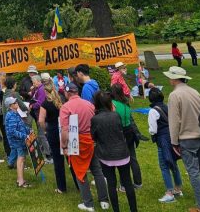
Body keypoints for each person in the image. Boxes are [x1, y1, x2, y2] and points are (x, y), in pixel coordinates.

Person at [164, 65, 200, 212]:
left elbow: (174, 121)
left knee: (194, 173)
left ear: (174, 79)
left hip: (187, 138)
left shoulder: (174, 95)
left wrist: (174, 141)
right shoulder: (194, 92)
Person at [60, 82, 110, 211]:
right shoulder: (89, 104)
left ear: (68, 93)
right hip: (91, 140)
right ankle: (104, 201)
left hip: (77, 141)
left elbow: (65, 130)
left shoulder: (65, 107)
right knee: (97, 170)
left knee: (80, 172)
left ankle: (88, 204)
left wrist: (64, 146)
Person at [91, 91, 138, 212]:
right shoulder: (115, 115)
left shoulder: (95, 119)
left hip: (106, 155)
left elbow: (94, 136)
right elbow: (119, 129)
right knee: (127, 182)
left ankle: (116, 210)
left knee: (111, 184)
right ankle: (134, 209)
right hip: (121, 153)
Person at [148, 86, 184, 203]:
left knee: (164, 166)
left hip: (162, 140)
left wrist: (151, 133)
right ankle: (178, 189)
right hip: (172, 137)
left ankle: (169, 193)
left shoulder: (153, 111)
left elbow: (153, 129)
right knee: (173, 163)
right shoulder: (168, 107)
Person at [110, 84, 142, 189]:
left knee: (122, 159)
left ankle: (124, 184)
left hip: (120, 132)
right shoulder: (125, 102)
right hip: (129, 131)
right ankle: (138, 182)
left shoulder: (113, 104)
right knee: (132, 158)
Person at [42, 76, 67, 193]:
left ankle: (61, 187)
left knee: (57, 160)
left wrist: (44, 129)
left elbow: (41, 120)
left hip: (52, 130)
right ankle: (79, 184)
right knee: (70, 157)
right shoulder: (61, 99)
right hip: (63, 129)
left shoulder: (45, 103)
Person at [5, 96, 32, 188]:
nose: (17, 103)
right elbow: (12, 131)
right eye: (14, 103)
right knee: (21, 159)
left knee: (22, 158)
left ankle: (20, 179)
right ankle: (21, 181)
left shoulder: (16, 113)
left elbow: (21, 125)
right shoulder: (11, 115)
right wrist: (25, 136)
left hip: (20, 140)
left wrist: (29, 130)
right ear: (10, 106)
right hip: (17, 141)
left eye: (16, 102)